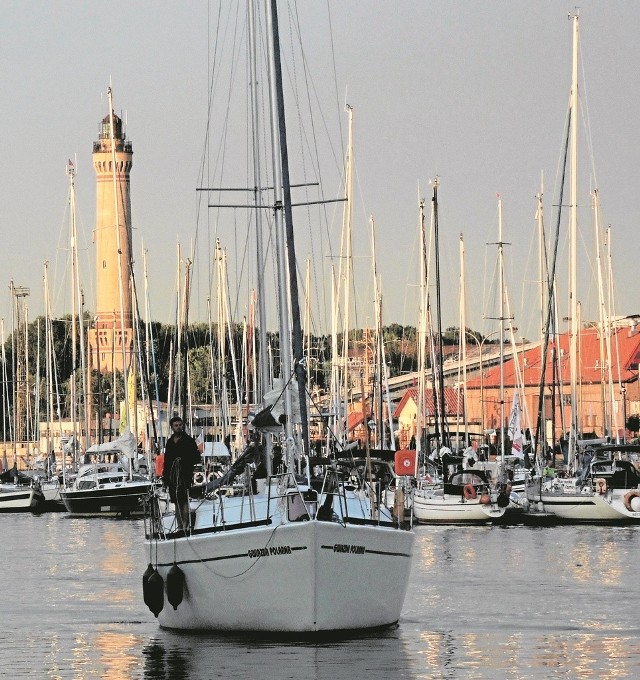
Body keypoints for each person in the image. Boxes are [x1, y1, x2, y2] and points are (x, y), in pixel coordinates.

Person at [162, 416, 201, 531]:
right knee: (176, 501)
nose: (178, 427)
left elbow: (196, 457)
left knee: (184, 500)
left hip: (184, 475)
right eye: (176, 425)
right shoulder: (169, 442)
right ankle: (179, 526)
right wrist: (166, 477)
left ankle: (186, 525)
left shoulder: (188, 440)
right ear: (172, 427)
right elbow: (167, 460)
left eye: (180, 425)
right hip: (172, 476)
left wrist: (183, 460)